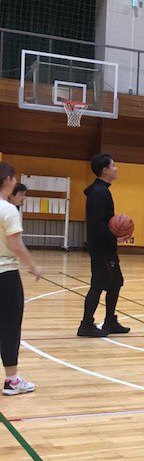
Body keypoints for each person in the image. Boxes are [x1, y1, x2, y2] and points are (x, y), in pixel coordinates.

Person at [0, 163, 42, 395]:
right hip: (5, 276)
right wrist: (33, 266)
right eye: (14, 178)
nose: (15, 181)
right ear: (7, 179)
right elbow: (16, 245)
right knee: (9, 327)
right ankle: (12, 380)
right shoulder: (8, 210)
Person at [77, 154, 130, 338]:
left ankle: (110, 321)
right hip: (102, 248)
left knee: (116, 282)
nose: (116, 168)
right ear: (105, 170)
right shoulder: (101, 193)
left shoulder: (100, 190)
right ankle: (86, 325)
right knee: (98, 285)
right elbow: (98, 223)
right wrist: (115, 237)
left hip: (103, 247)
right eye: (113, 166)